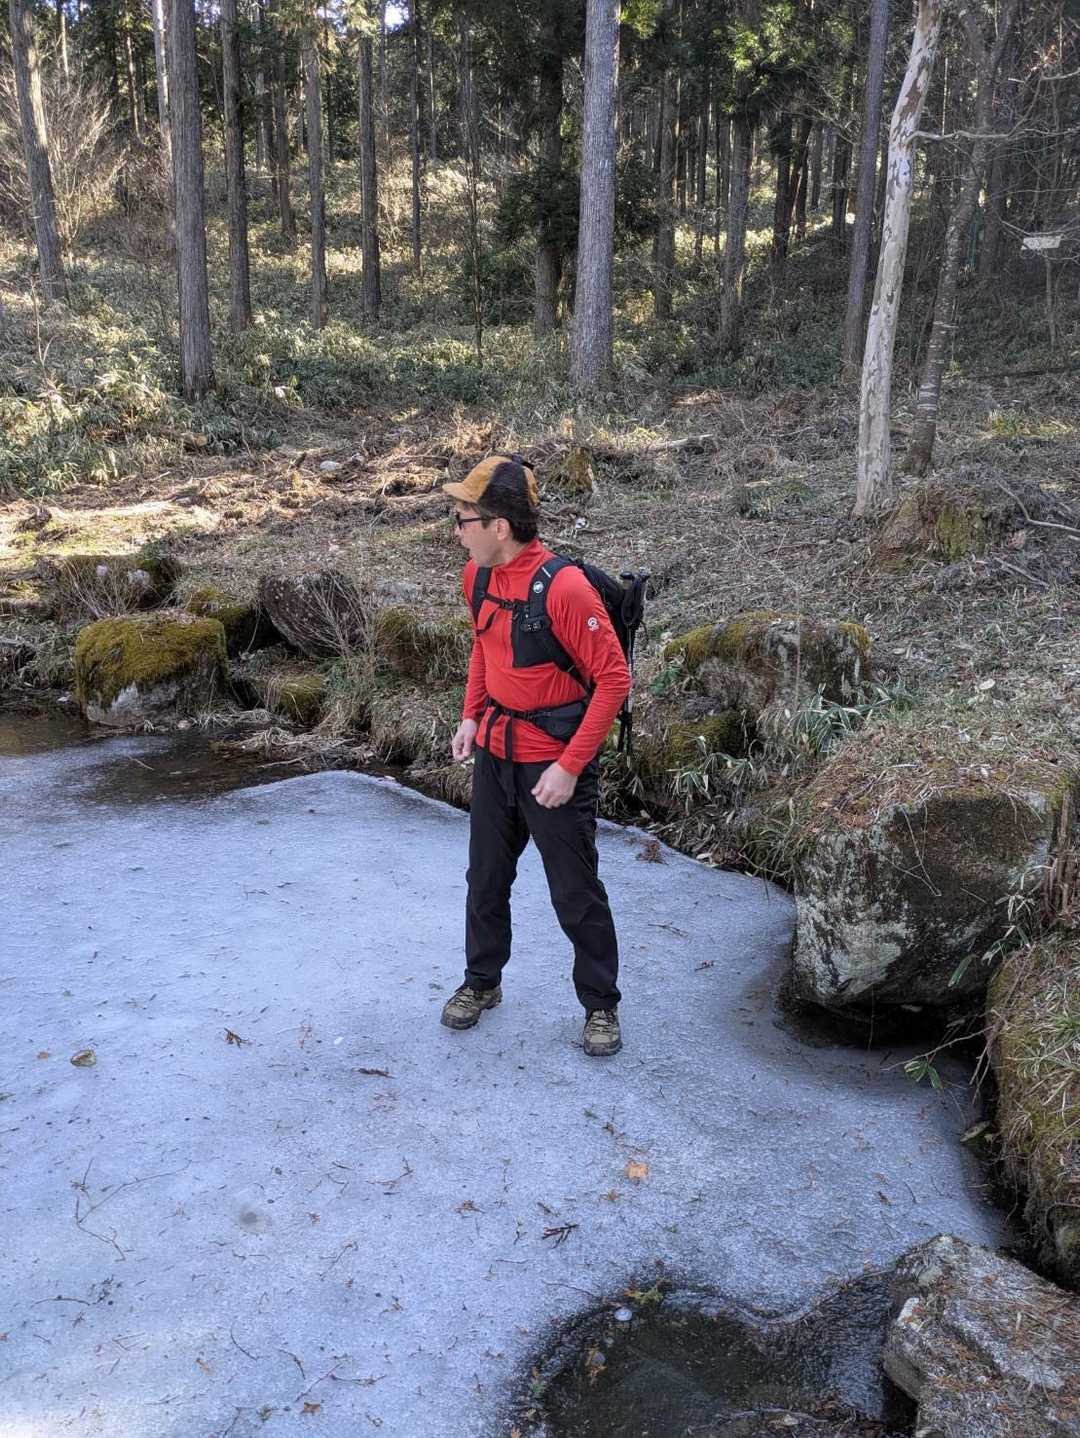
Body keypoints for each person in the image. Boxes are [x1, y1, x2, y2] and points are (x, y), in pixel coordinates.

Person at [441, 454, 631, 1057]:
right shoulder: (477, 578)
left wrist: (570, 767)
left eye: (463, 519)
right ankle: (482, 981)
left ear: (499, 526)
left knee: (575, 891)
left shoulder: (565, 590)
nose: (457, 531)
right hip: (496, 755)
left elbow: (614, 681)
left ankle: (600, 1005)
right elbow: (485, 647)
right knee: (485, 879)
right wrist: (472, 715)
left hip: (554, 765)